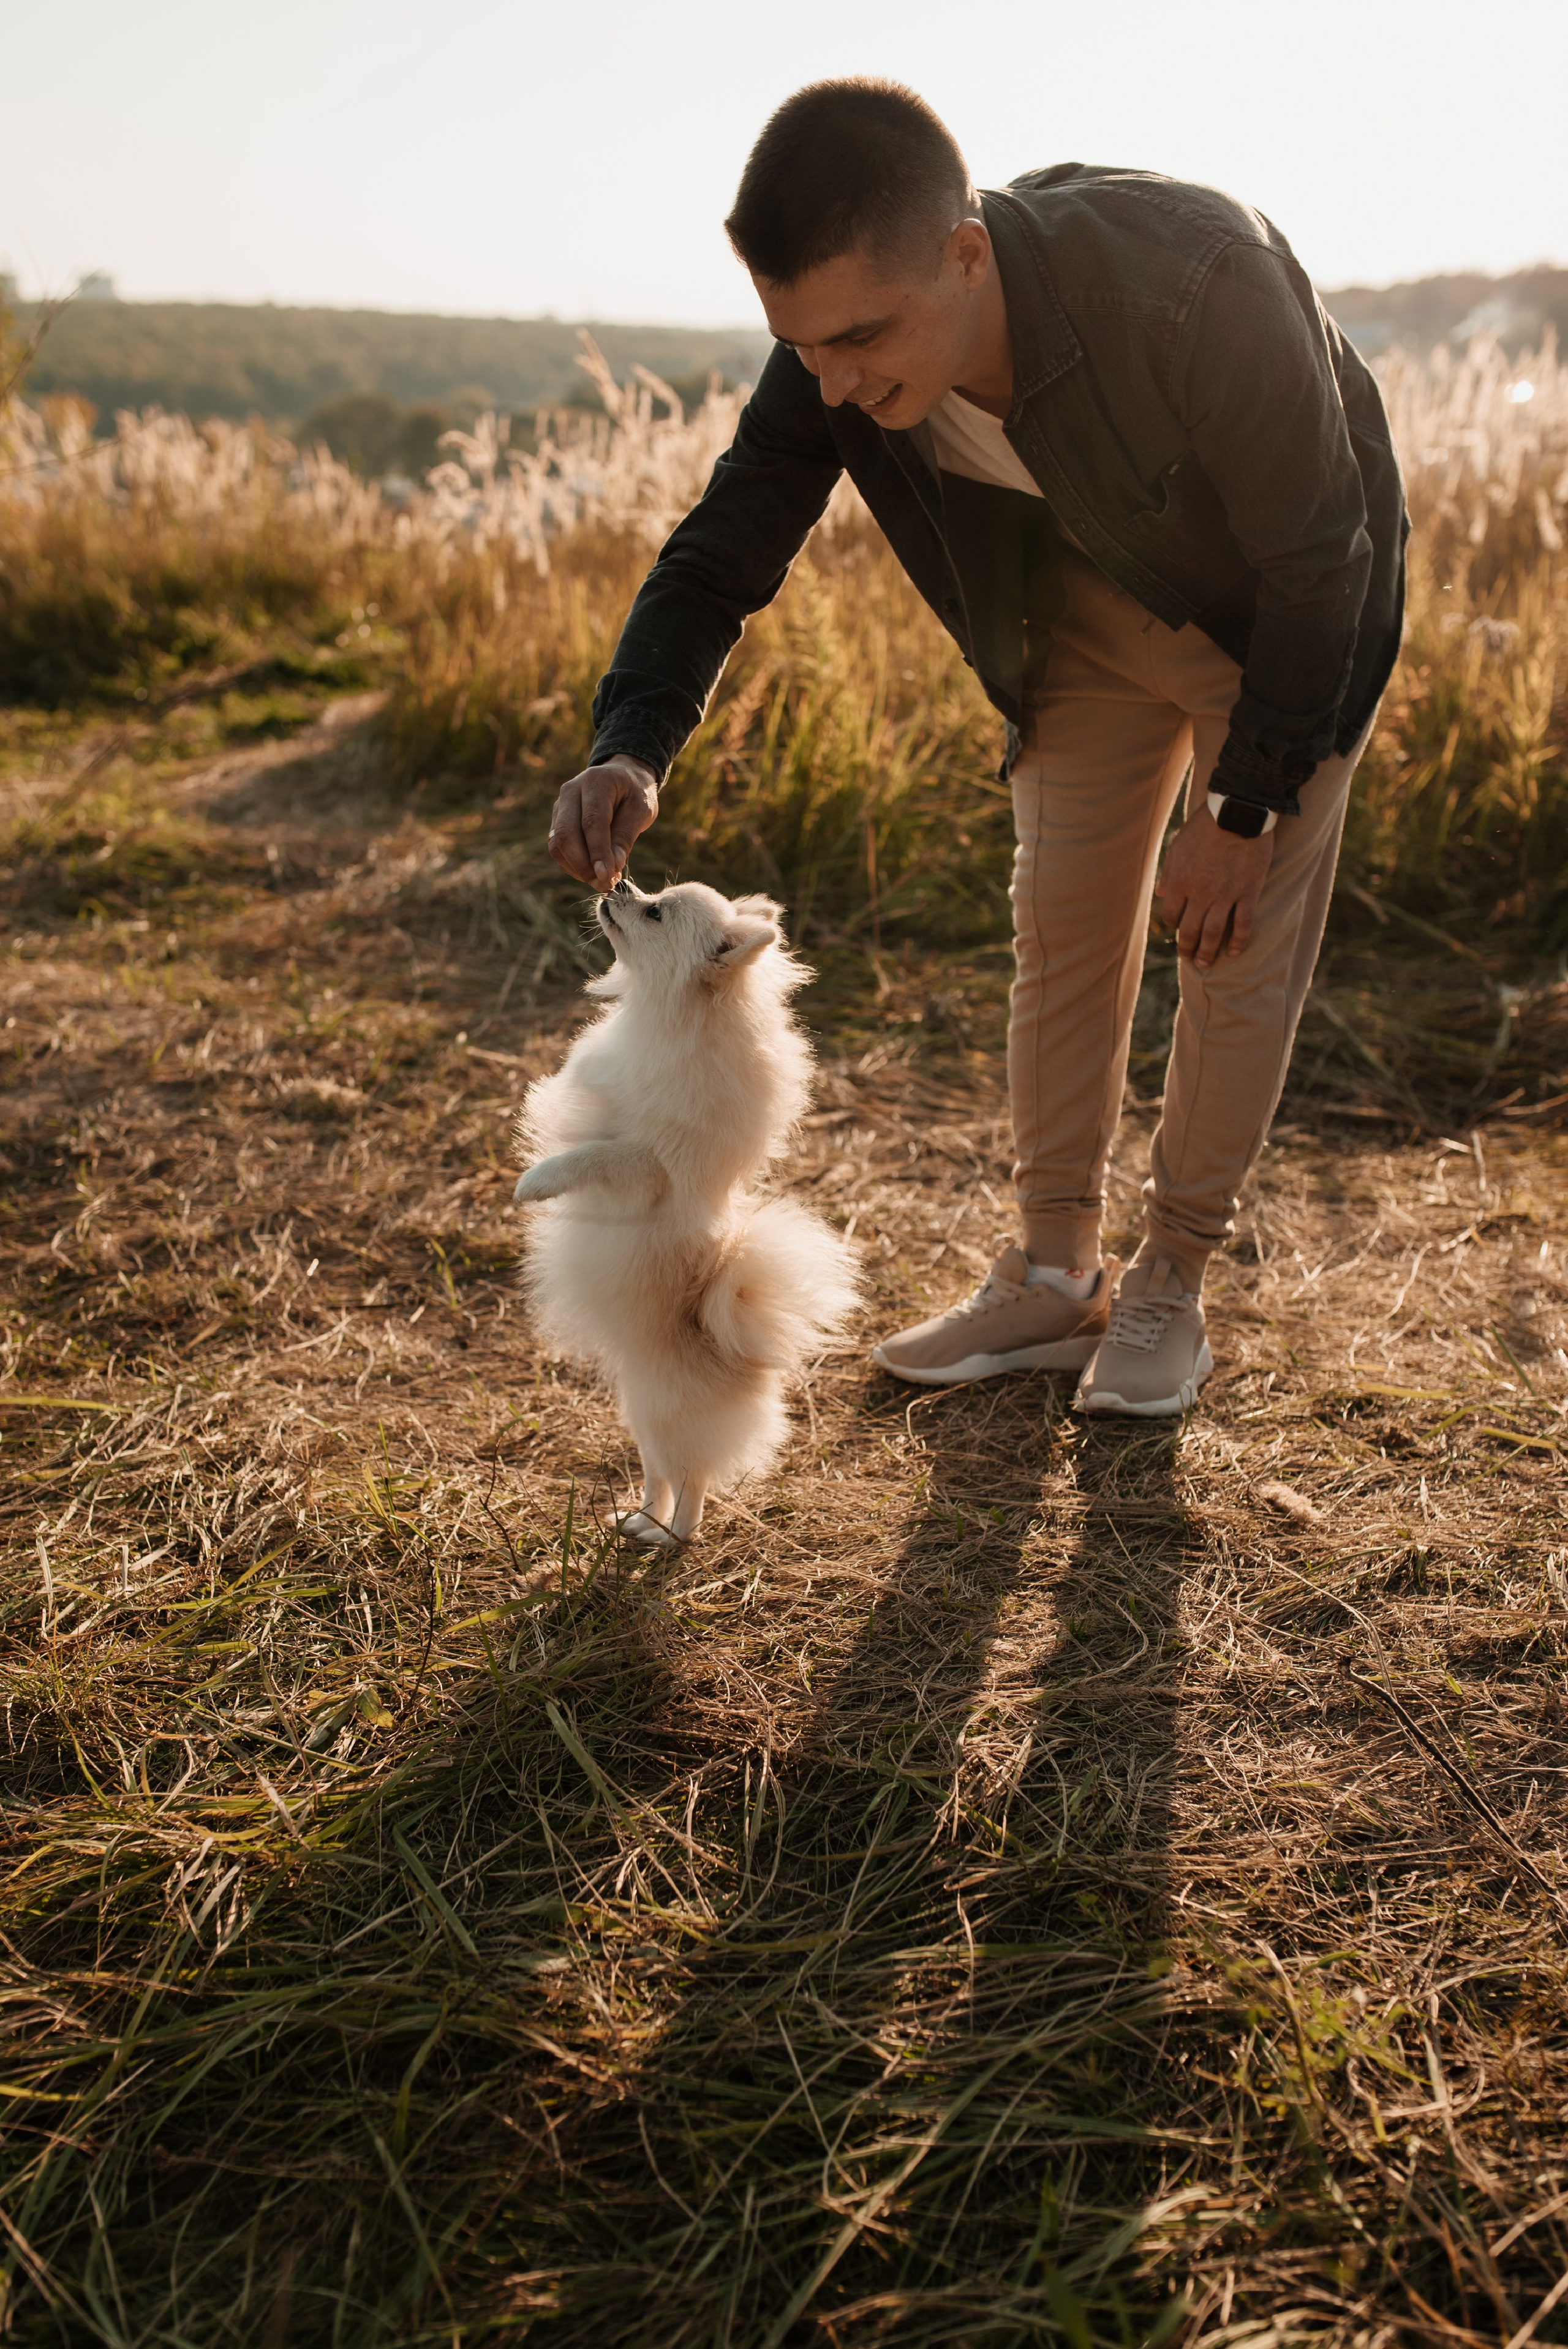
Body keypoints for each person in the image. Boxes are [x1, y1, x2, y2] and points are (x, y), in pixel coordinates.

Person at [545, 79, 1408, 1417]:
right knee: (1059, 930)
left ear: (963, 253)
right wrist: (630, 748)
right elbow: (719, 554)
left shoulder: (1198, 279)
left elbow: (1320, 560)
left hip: (1276, 633)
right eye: (800, 345)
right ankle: (1054, 1277)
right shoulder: (831, 356)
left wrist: (1241, 810)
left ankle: (1170, 1281)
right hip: (1075, 636)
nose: (831, 382)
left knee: (1227, 942)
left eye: (857, 338)